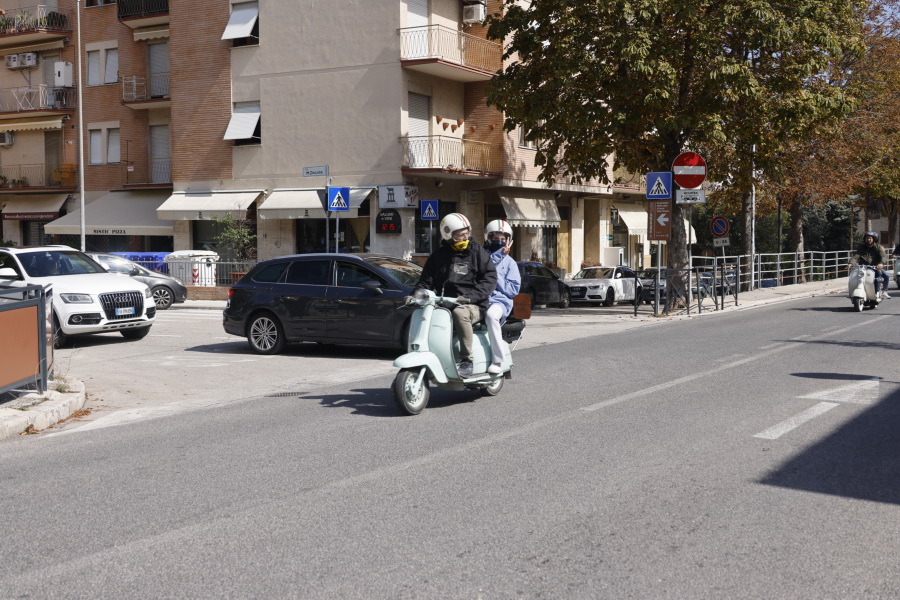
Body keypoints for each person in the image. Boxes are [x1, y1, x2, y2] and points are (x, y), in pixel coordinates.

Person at [416, 213, 497, 377]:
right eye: (461, 234)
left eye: (467, 233)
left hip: (474, 305)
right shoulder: (438, 256)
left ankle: (467, 360)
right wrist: (415, 295)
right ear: (448, 235)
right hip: (445, 302)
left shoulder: (477, 252)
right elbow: (426, 281)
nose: (465, 237)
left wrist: (471, 297)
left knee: (460, 313)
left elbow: (490, 278)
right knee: (423, 313)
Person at [483, 220, 521, 374]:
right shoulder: (481, 257)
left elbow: (513, 290)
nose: (499, 241)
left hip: (499, 302)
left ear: (508, 241)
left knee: (491, 316)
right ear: (488, 238)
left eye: (503, 239)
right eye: (495, 238)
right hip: (480, 299)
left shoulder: (511, 263)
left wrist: (495, 276)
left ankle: (498, 360)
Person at [849, 231, 889, 298]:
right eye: (867, 238)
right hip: (863, 267)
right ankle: (853, 292)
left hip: (875, 267)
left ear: (874, 239)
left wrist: (881, 263)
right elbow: (856, 256)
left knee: (886, 275)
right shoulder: (861, 247)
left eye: (870, 238)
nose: (868, 239)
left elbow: (883, 256)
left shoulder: (878, 247)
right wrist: (850, 263)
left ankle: (882, 291)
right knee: (854, 276)